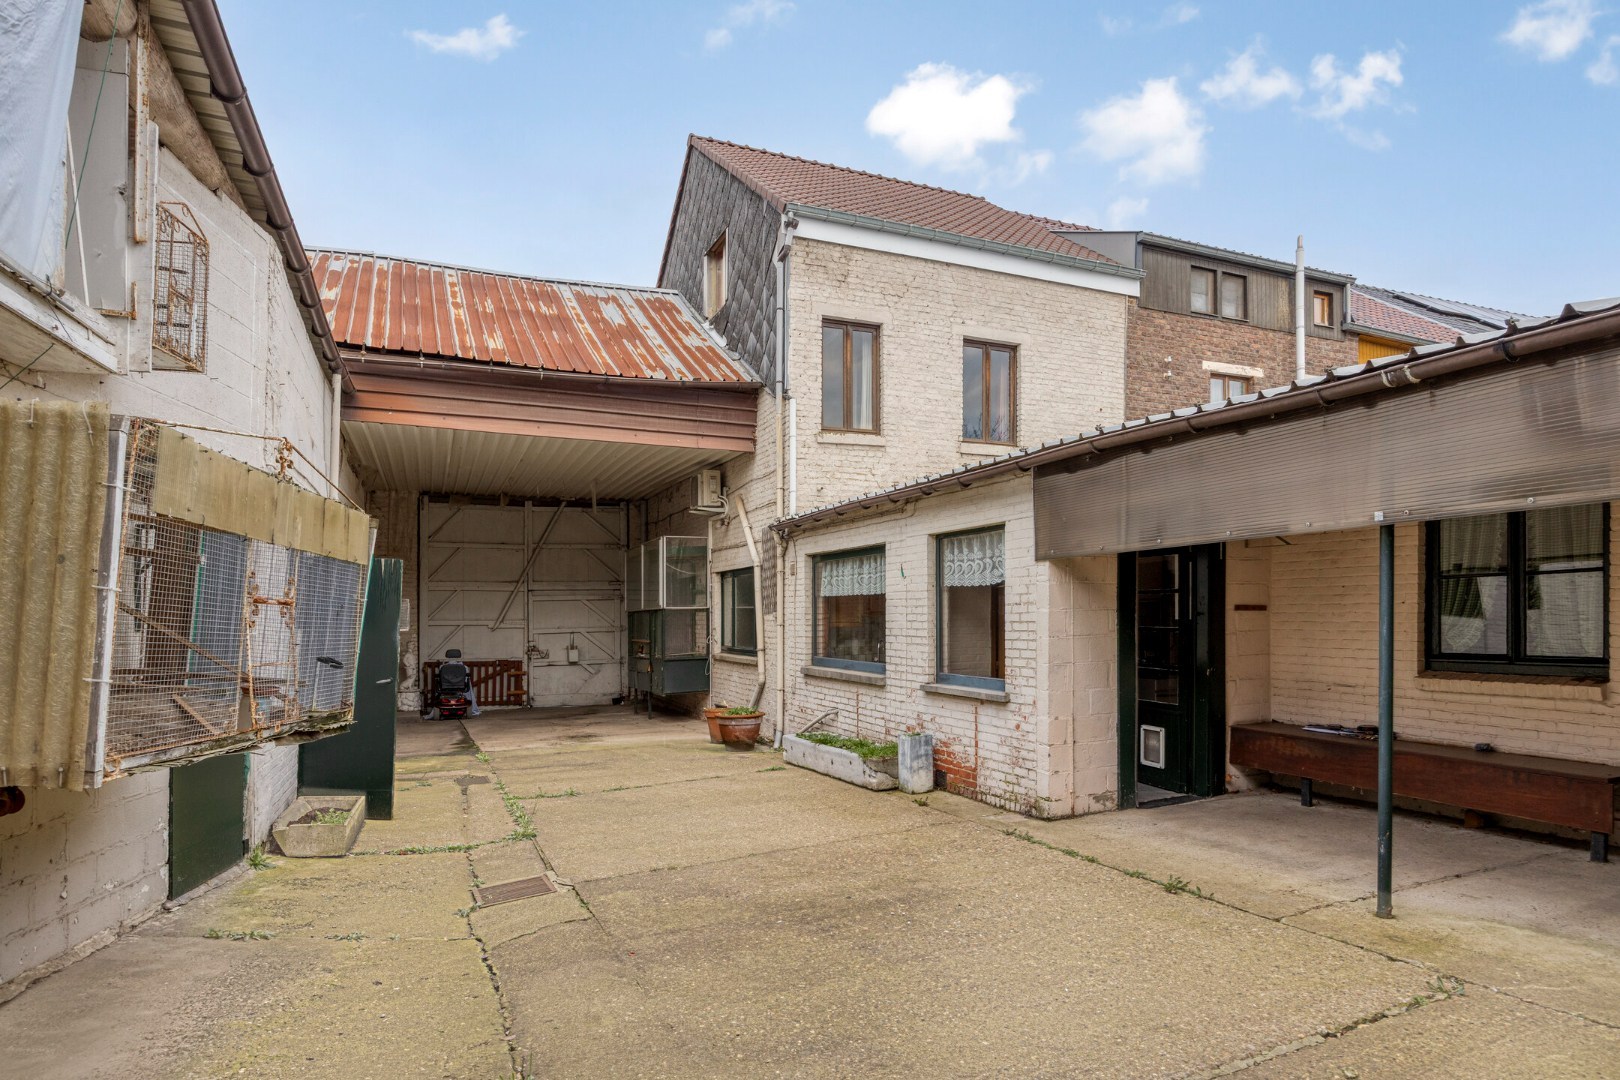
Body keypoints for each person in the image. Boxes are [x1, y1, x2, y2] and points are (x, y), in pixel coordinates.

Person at [432, 649, 481, 718]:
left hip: (445, 688)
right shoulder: (464, 667)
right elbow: (466, 680)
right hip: (460, 687)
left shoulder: (442, 667)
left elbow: (440, 679)